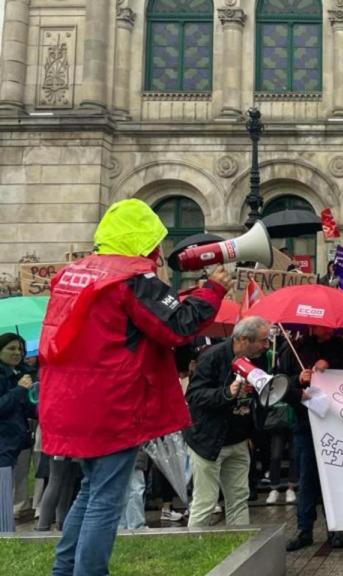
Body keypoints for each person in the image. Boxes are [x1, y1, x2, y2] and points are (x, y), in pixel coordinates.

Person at [38, 198, 228, 575]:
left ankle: (64, 570)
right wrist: (213, 290)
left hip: (68, 400)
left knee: (91, 489)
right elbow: (177, 326)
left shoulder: (75, 273)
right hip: (111, 404)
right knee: (107, 499)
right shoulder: (132, 279)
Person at [282, 325, 343, 552]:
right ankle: (304, 529)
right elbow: (281, 383)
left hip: (336, 422)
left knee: (335, 475)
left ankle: (336, 529)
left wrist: (330, 364)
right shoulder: (296, 349)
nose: (327, 328)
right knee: (307, 477)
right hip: (306, 422)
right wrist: (299, 379)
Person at [184, 316, 271, 528]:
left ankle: (240, 545)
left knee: (239, 499)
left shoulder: (257, 358)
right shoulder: (212, 357)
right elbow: (194, 396)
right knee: (205, 501)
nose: (266, 345)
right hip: (208, 441)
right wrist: (226, 393)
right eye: (262, 340)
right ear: (243, 339)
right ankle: (193, 546)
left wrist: (252, 432)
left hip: (238, 439)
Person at [1, 333, 36, 532]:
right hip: (2, 444)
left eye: (20, 349)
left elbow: (25, 409)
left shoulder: (20, 375)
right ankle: (5, 533)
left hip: (15, 443)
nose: (17, 353)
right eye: (11, 348)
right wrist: (19, 390)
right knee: (3, 492)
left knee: (9, 488)